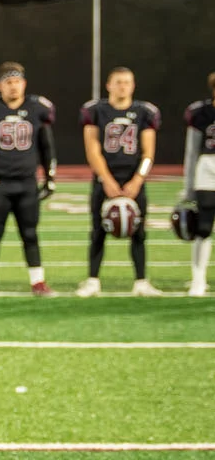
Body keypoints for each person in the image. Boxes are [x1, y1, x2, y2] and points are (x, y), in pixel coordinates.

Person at [0, 63, 57, 297]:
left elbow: (47, 146)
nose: (13, 86)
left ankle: (38, 282)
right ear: (0, 85)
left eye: (17, 81)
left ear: (24, 84)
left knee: (30, 233)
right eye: (8, 82)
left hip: (27, 183)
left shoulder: (38, 108)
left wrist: (50, 177)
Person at [76, 67, 161, 297]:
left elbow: (148, 153)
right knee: (97, 232)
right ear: (108, 85)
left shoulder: (145, 112)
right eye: (118, 82)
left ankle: (141, 281)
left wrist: (138, 180)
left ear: (133, 86)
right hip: (105, 178)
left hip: (133, 179)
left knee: (139, 231)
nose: (123, 86)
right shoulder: (95, 110)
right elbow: (92, 149)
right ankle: (93, 280)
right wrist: (105, 179)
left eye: (127, 82)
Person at [182, 71, 215, 297]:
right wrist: (188, 186)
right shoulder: (201, 113)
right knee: (203, 227)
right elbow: (192, 151)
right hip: (208, 169)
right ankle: (198, 278)